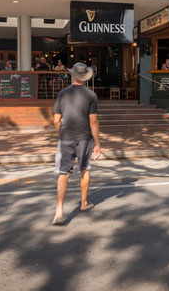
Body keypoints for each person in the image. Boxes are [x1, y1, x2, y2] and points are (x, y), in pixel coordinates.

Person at [51, 62, 101, 225]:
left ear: (72, 75)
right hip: (84, 137)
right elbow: (93, 122)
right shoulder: (91, 95)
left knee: (63, 172)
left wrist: (63, 132)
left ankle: (59, 210)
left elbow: (56, 120)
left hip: (66, 137)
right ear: (85, 78)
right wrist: (98, 143)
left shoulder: (62, 94)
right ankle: (84, 203)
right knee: (84, 169)